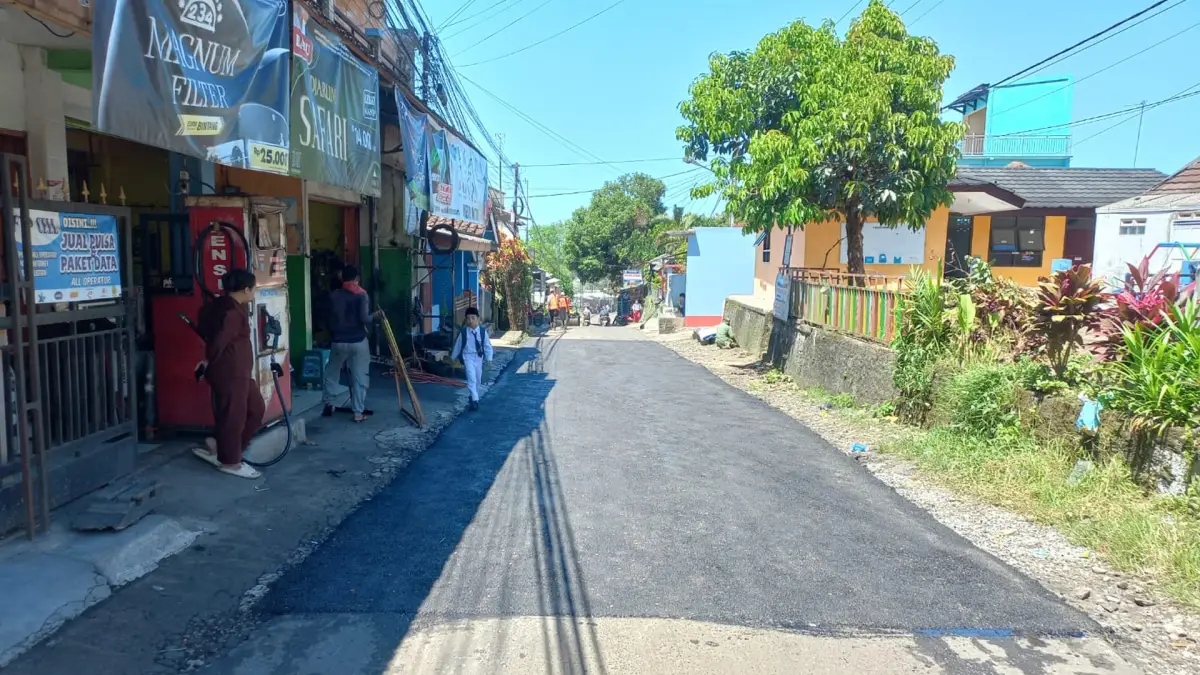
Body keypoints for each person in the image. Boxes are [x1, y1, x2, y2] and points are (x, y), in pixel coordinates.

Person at [193, 269, 265, 479]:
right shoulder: (232, 313)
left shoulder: (220, 306)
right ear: (245, 289)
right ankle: (230, 462)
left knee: (256, 408)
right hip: (231, 371)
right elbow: (217, 343)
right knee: (235, 416)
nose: (254, 293)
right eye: (253, 289)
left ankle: (223, 448)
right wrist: (208, 361)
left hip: (238, 370)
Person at [322, 266, 380, 422]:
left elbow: (327, 319)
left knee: (332, 373)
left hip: (338, 342)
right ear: (357, 278)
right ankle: (358, 413)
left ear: (342, 278)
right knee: (360, 377)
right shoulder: (362, 295)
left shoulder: (333, 296)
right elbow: (365, 319)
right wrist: (376, 315)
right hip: (358, 341)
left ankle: (328, 404)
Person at [451, 307, 493, 410]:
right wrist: (453, 358)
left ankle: (473, 396)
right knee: (471, 378)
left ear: (478, 319)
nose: (470, 321)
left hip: (478, 357)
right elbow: (458, 345)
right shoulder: (464, 332)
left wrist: (489, 358)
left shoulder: (483, 332)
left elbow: (487, 346)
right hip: (467, 357)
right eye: (468, 318)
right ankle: (475, 400)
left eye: (473, 318)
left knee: (478, 379)